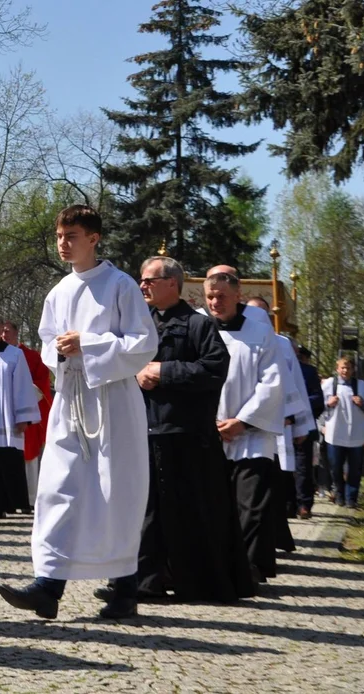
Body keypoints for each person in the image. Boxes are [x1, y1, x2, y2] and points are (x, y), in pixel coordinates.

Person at [0, 205, 157, 621]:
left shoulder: (120, 285)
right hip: (71, 399)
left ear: (94, 238)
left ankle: (124, 588)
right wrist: (62, 352)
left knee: (114, 491)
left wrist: (90, 343)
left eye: (71, 236)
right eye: (59, 236)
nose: (63, 244)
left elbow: (143, 344)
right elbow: (49, 342)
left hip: (113, 402)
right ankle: (48, 585)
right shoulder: (58, 292)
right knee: (56, 489)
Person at [97, 256, 253, 604]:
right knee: (145, 511)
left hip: (187, 437)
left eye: (149, 280)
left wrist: (163, 372)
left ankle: (196, 582)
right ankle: (141, 580)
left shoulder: (198, 325)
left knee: (190, 513)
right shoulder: (138, 324)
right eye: (141, 280)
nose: (142, 287)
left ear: (172, 283)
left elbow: (214, 369)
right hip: (144, 431)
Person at [204, 272, 284, 582]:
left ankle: (249, 568)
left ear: (238, 296)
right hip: (209, 433)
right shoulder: (200, 331)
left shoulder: (262, 334)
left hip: (251, 435)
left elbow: (272, 382)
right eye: (210, 296)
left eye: (222, 296)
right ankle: (220, 567)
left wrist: (243, 421)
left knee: (250, 506)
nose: (215, 302)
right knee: (213, 507)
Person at [245, 297, 312, 551]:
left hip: (276, 421)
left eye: (262, 312)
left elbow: (293, 383)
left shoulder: (282, 344)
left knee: (274, 482)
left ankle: (273, 537)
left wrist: (299, 422)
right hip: (235, 422)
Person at [0, 312, 40, 517]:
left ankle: (9, 503)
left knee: (6, 460)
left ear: (1, 329)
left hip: (5, 418)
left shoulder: (14, 354)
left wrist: (23, 416)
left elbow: (23, 386)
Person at [3, 320, 52, 504]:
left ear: (16, 334)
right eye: (2, 331)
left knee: (28, 455)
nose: (3, 335)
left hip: (26, 412)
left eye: (7, 331)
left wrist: (18, 394)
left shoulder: (32, 356)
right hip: (1, 414)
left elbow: (41, 385)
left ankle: (30, 498)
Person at [320, 357, 364, 509]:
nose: (345, 371)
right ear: (337, 369)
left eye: (348, 368)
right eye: (342, 368)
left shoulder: (361, 386)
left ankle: (351, 498)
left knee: (355, 468)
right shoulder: (329, 385)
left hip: (355, 434)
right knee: (336, 467)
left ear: (353, 370)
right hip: (335, 433)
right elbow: (317, 405)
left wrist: (363, 403)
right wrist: (328, 403)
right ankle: (339, 495)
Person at [294, 346, 325, 517]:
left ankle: (304, 504)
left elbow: (318, 399)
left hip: (302, 424)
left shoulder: (308, 371)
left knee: (303, 467)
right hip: (278, 424)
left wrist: (300, 406)